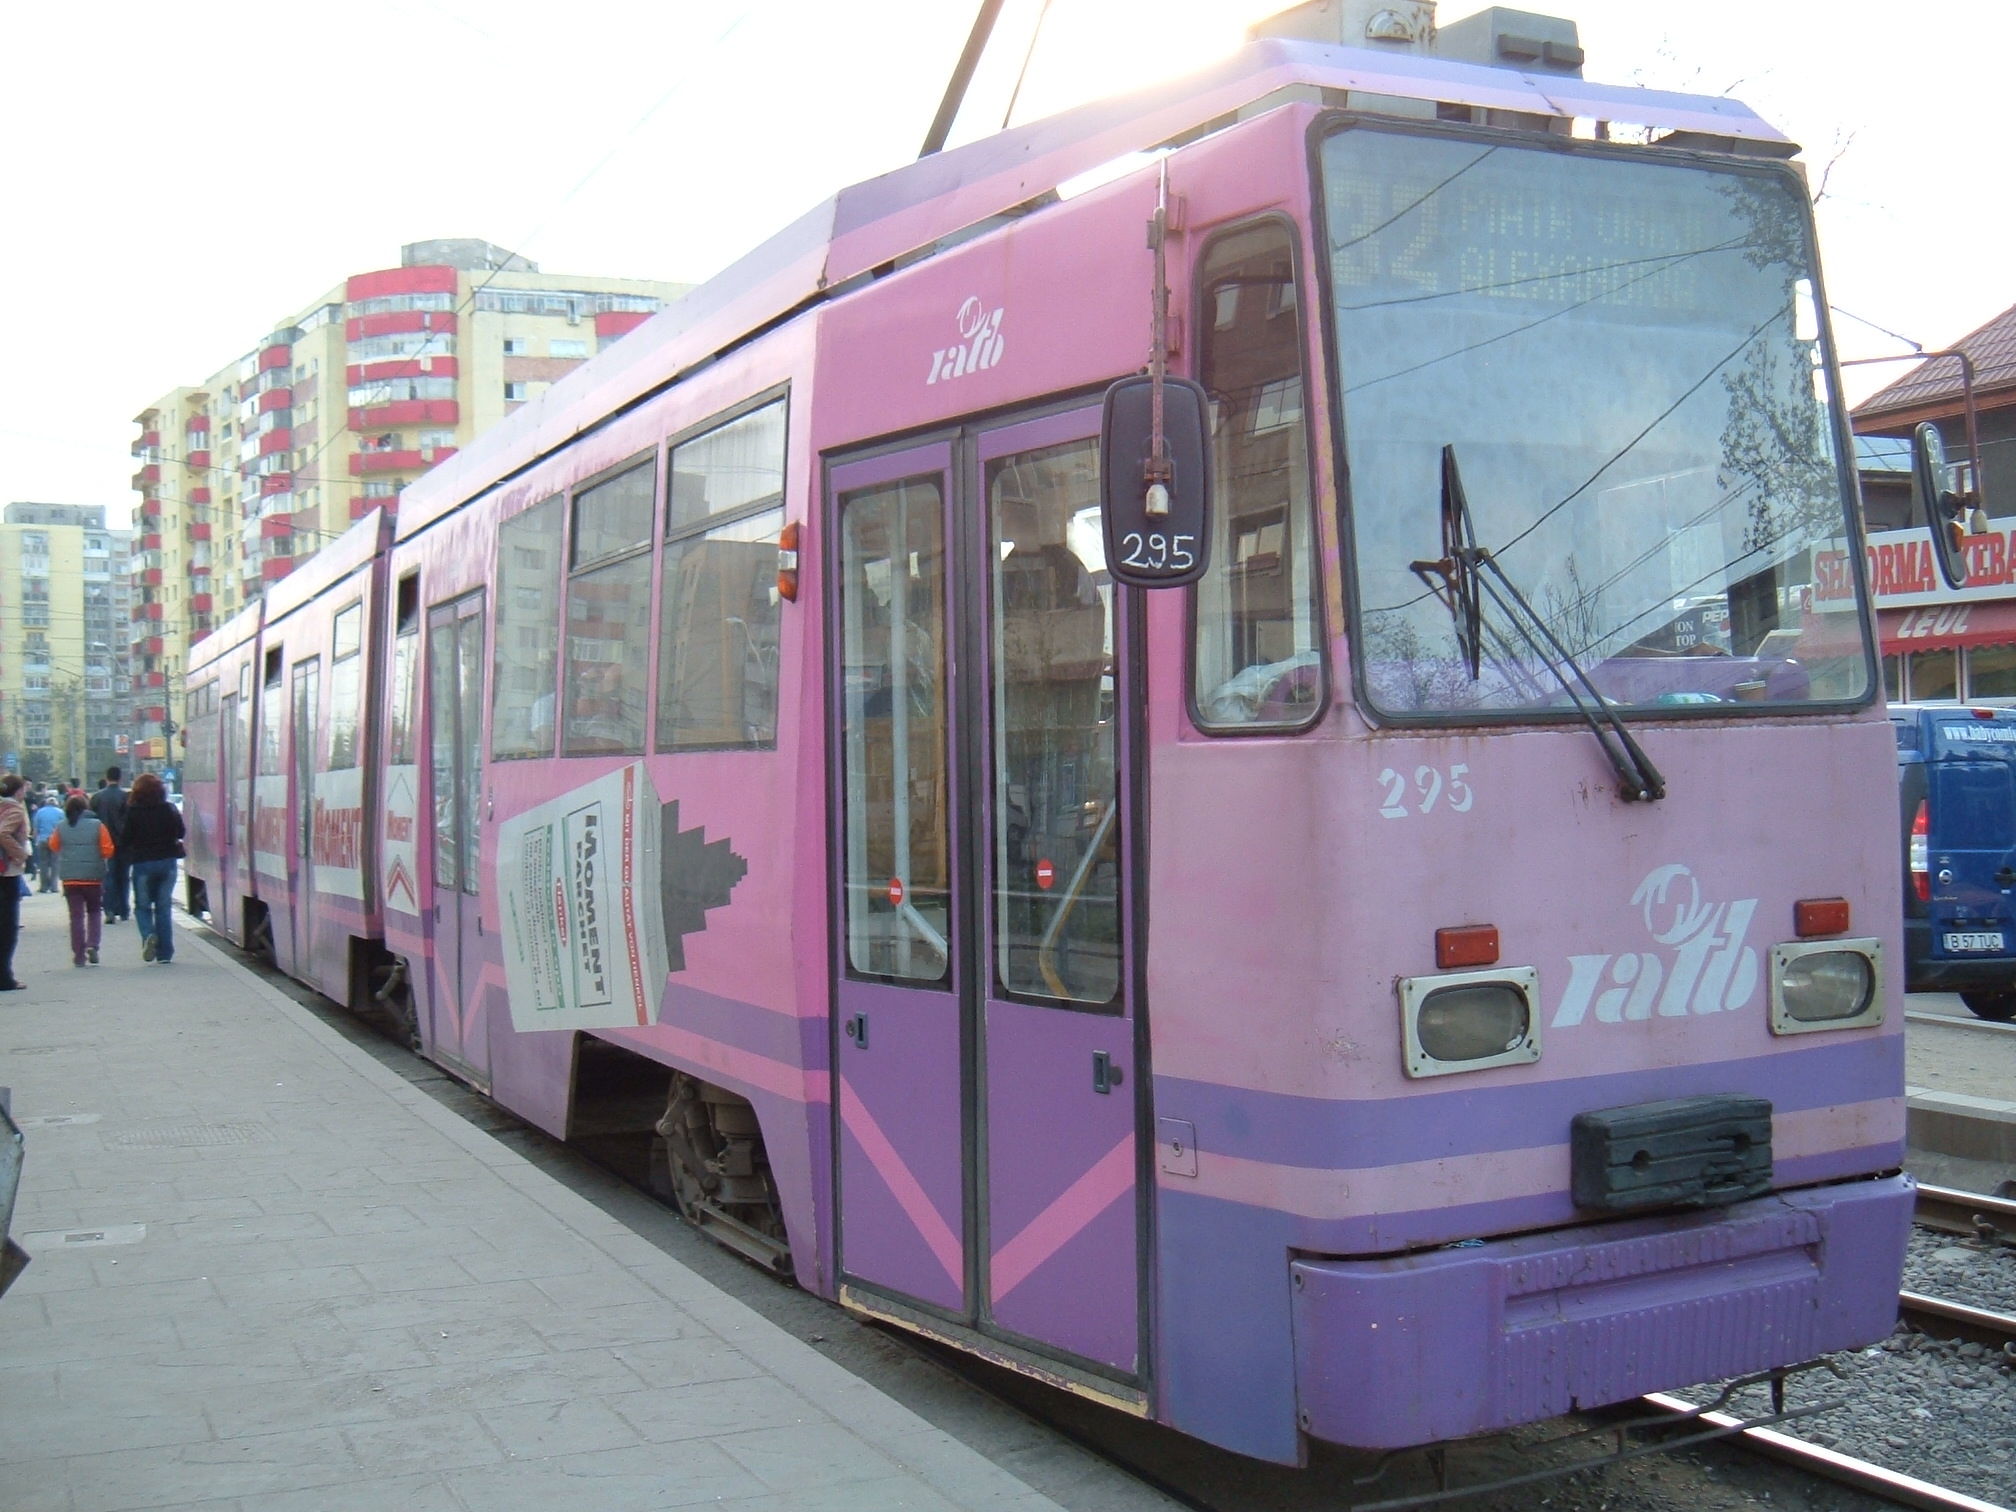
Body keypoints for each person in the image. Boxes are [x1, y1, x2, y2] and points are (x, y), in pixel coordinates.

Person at [121, 772, 185, 965]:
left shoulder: (133, 811)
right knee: (163, 907)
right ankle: (165, 953)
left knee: (142, 906)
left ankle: (149, 935)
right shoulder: (169, 809)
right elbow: (181, 832)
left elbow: (125, 839)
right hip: (167, 861)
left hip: (143, 863)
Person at [48, 794, 112, 967]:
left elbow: (53, 845)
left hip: (70, 879)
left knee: (76, 917)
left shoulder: (61, 826)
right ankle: (93, 945)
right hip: (93, 877)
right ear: (86, 808)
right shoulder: (98, 825)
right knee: (94, 912)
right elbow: (108, 850)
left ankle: (78, 955)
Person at [0, 776, 31, 990]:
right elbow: (3, 833)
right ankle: (4, 976)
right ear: (18, 791)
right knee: (8, 926)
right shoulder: (14, 810)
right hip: (7, 871)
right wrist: (20, 854)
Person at [91, 767, 130, 922]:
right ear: (120, 778)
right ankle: (124, 909)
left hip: (103, 842)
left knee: (109, 876)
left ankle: (109, 910)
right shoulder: (126, 797)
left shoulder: (97, 797)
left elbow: (92, 819)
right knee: (124, 876)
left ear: (106, 778)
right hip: (123, 843)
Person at [31, 792, 62, 893]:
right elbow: (63, 827)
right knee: (55, 864)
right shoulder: (60, 812)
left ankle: (44, 886)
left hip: (42, 840)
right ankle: (54, 886)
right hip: (55, 840)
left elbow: (35, 828)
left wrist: (35, 840)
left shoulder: (39, 812)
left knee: (43, 863)